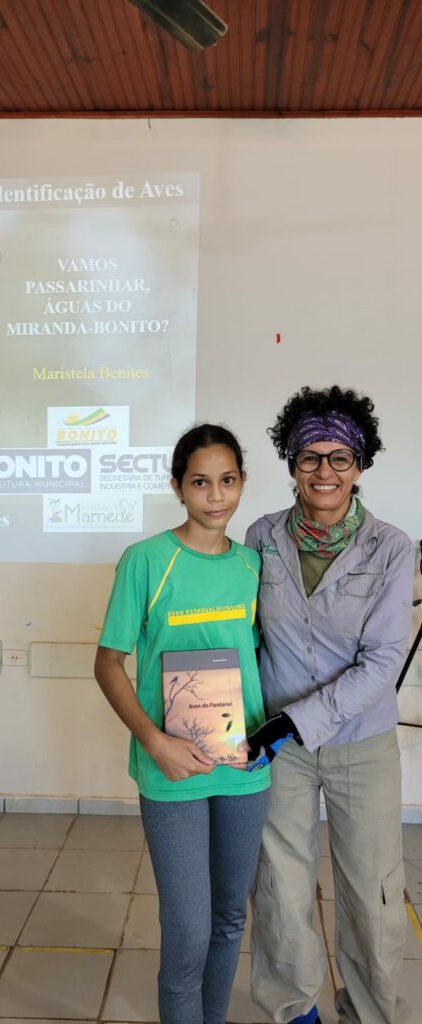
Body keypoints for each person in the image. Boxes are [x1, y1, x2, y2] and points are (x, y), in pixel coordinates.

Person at [244, 386, 414, 1024]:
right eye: (309, 457)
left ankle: (369, 1010)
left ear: (361, 465)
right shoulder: (262, 537)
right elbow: (242, 629)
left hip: (360, 744)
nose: (324, 472)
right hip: (277, 746)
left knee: (371, 891)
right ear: (290, 464)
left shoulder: (391, 549)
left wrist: (297, 720)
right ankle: (294, 1010)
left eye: (339, 457)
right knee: (282, 886)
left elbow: (381, 663)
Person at [94, 423, 270, 1024]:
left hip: (243, 769)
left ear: (242, 484)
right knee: (189, 928)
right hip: (170, 770)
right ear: (178, 487)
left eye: (227, 481)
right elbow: (108, 663)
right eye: (200, 482)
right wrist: (154, 741)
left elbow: (255, 659)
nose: (215, 496)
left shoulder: (252, 565)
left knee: (228, 918)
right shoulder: (146, 561)